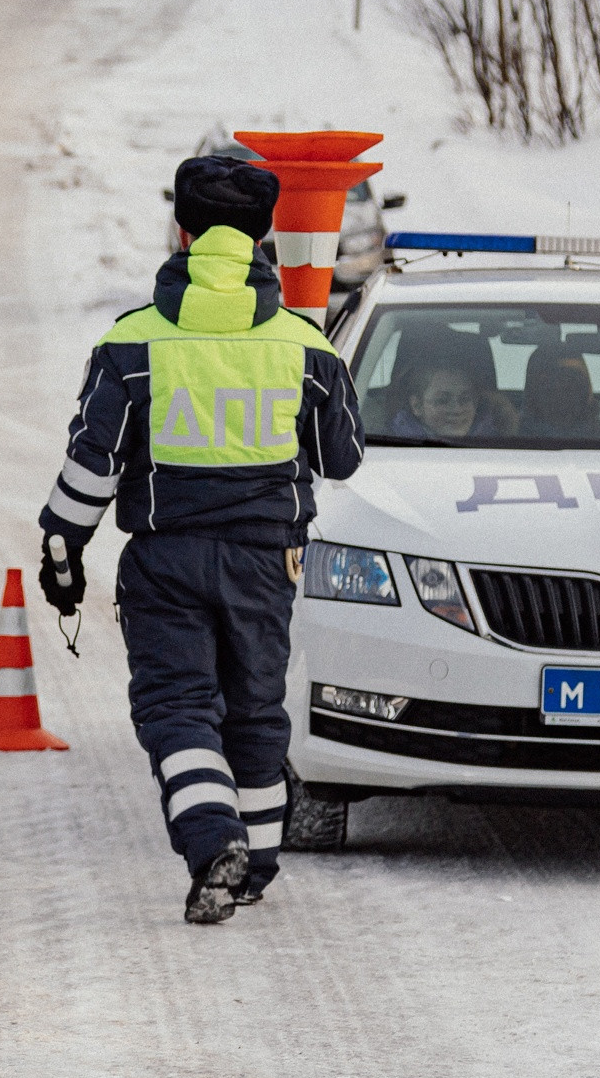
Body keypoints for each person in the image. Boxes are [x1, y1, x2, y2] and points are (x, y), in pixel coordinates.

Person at [38, 155, 365, 925]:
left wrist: (62, 550)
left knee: (177, 705)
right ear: (263, 239)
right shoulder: (303, 347)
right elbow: (342, 455)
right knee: (254, 710)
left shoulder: (132, 343)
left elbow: (92, 464)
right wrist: (312, 371)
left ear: (182, 233)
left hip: (166, 558)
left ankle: (213, 839)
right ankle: (253, 865)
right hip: (264, 561)